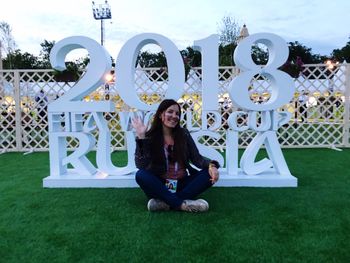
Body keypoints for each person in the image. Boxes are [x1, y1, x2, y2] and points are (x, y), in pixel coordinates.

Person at [132, 99, 220, 213]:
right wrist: (141, 137)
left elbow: (197, 159)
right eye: (170, 112)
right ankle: (182, 204)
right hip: (160, 184)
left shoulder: (183, 134)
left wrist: (212, 166)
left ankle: (165, 203)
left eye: (177, 113)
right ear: (160, 114)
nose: (174, 116)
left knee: (208, 174)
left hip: (182, 183)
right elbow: (141, 165)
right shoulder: (150, 137)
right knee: (141, 175)